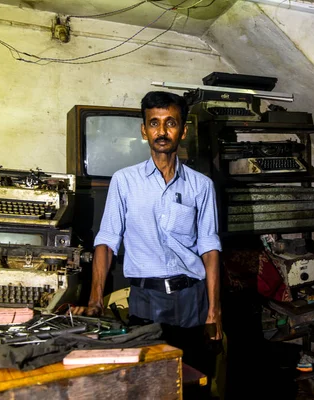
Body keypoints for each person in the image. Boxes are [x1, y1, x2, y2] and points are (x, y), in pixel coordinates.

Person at [72, 91, 222, 382]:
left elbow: (209, 247)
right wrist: (95, 300)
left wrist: (214, 312)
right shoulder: (124, 181)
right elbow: (107, 240)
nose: (162, 131)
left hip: (193, 299)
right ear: (144, 130)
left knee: (193, 382)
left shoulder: (201, 186)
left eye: (170, 123)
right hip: (145, 301)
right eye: (154, 123)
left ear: (183, 130)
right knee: (149, 383)